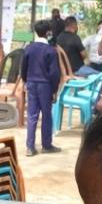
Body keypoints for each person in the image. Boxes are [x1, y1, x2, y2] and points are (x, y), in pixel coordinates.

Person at [20, 20, 62, 157]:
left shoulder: (29, 48)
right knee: (46, 115)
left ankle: (30, 147)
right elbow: (54, 73)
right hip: (45, 85)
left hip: (31, 83)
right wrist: (54, 90)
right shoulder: (50, 50)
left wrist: (27, 81)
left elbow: (23, 68)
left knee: (32, 115)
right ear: (48, 32)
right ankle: (46, 145)